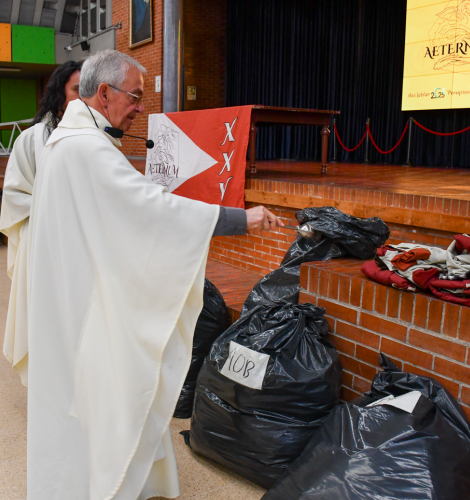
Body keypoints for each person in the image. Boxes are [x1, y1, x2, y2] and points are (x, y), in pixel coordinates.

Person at [26, 49, 282, 500]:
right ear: (104, 93)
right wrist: (241, 220)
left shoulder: (66, 142)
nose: (141, 107)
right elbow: (154, 212)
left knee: (100, 401)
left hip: (71, 296)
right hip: (91, 308)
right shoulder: (86, 149)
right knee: (111, 396)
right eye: (136, 96)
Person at [0, 60, 82, 386]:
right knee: (46, 313)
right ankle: (47, 383)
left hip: (82, 242)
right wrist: (57, 204)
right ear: (59, 93)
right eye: (76, 89)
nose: (82, 96)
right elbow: (16, 194)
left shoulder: (97, 136)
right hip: (44, 241)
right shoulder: (32, 139)